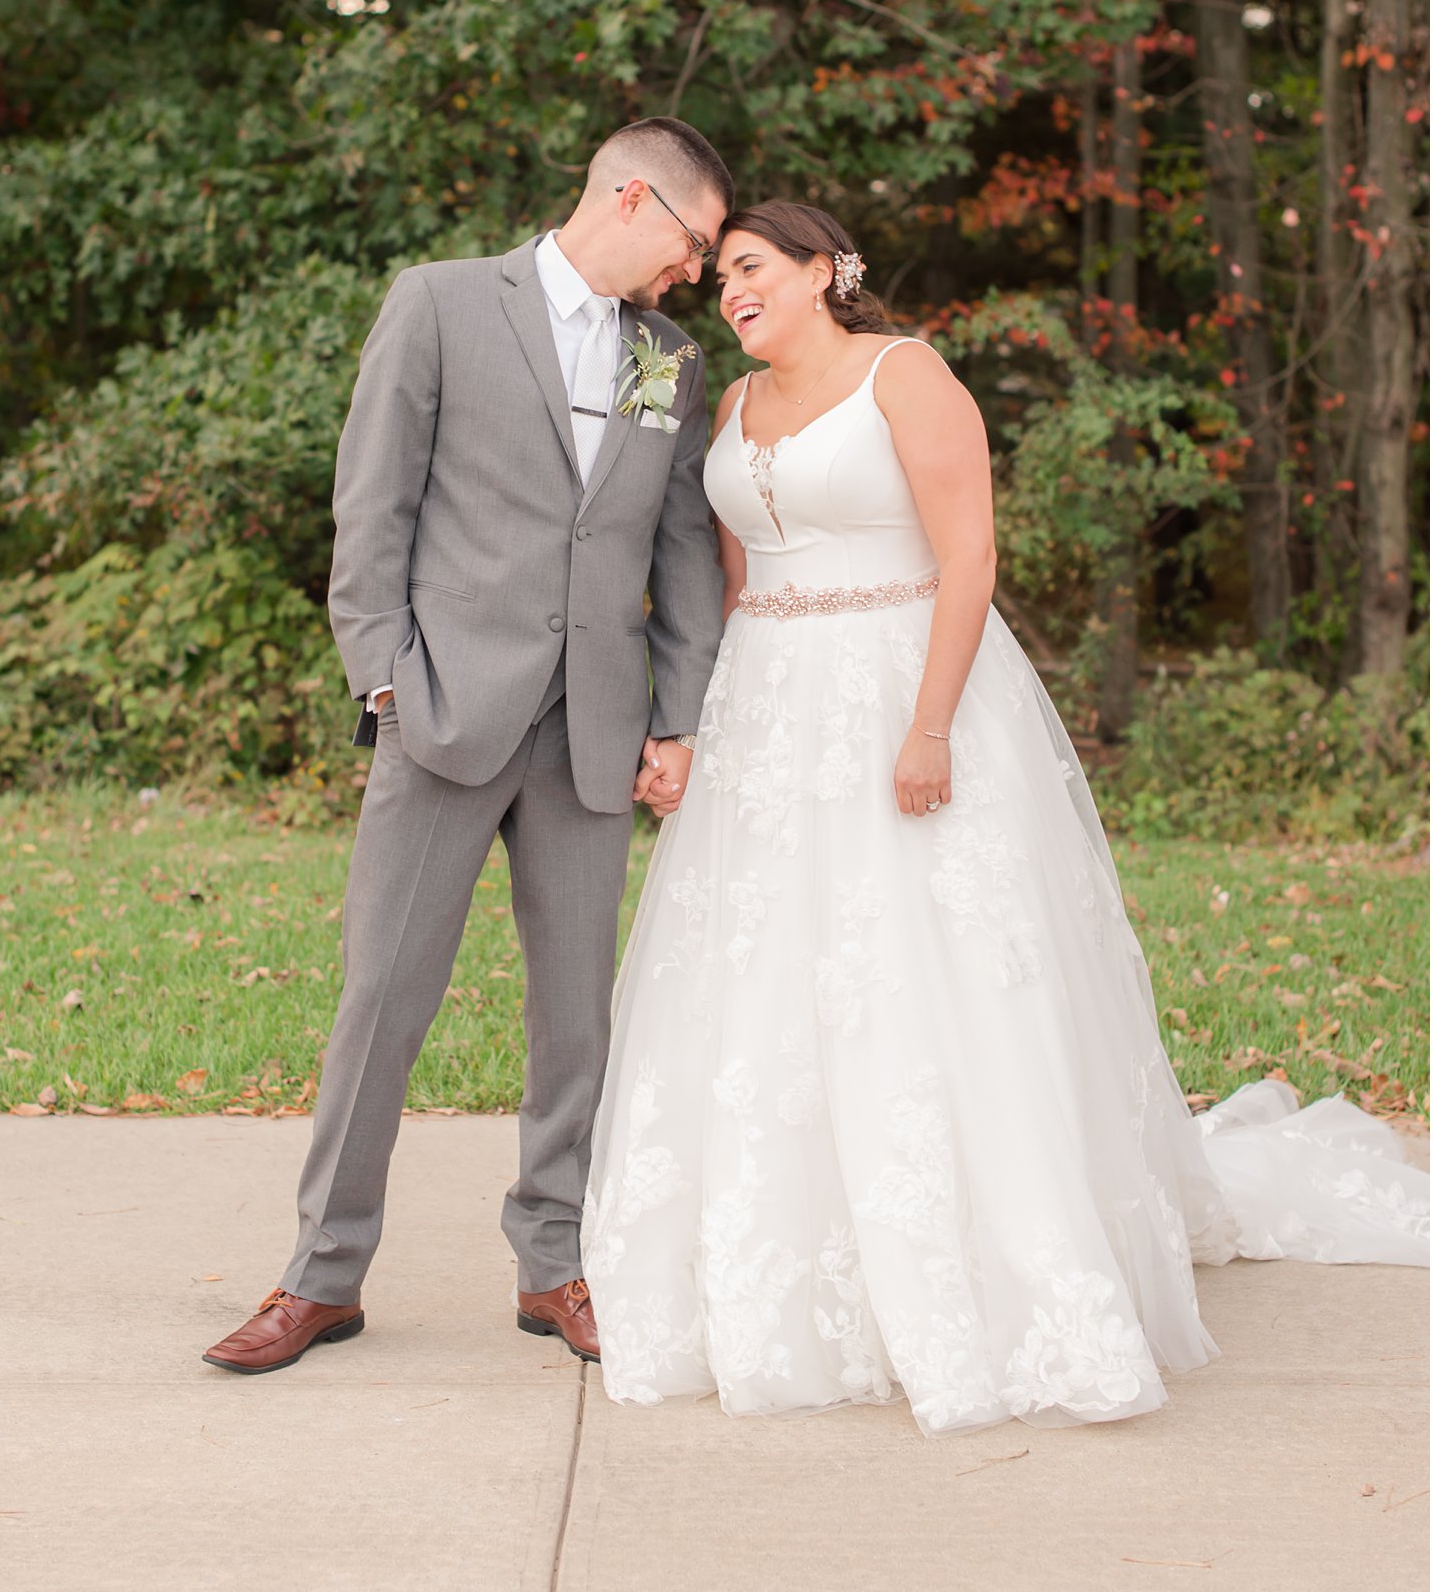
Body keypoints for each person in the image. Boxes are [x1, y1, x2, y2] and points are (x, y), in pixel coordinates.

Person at [582, 199, 1430, 1436]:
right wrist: (697, 724)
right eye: (718, 278)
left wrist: (925, 728)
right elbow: (726, 579)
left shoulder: (906, 376)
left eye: (752, 267)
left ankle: (989, 1264)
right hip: (768, 707)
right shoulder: (729, 405)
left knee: (924, 976)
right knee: (765, 979)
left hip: (897, 683)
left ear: (825, 269)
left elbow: (966, 555)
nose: (729, 291)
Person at [204, 119, 731, 1375]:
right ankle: (320, 1278)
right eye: (694, 242)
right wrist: (383, 682)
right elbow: (370, 506)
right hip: (442, 714)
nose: (698, 273)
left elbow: (672, 546)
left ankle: (554, 1266)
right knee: (381, 1001)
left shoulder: (669, 357)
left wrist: (679, 716)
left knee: (575, 1019)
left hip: (592, 727)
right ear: (627, 195)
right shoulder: (438, 305)